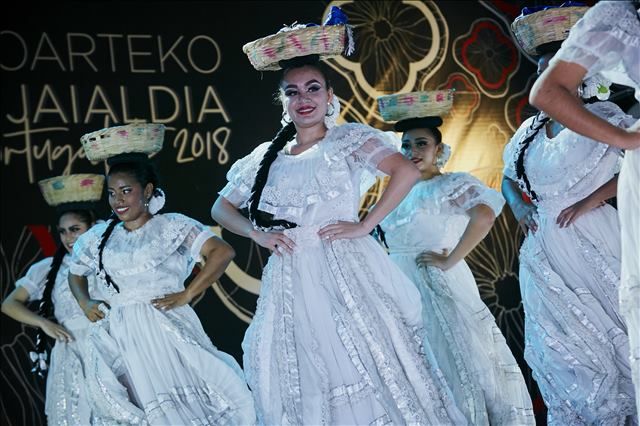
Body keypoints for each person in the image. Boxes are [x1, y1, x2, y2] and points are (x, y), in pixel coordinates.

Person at [211, 8, 466, 425]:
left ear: (330, 96)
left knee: (366, 357)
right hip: (291, 274)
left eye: (313, 88)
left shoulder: (350, 139)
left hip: (345, 267)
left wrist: (365, 225)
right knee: (306, 369)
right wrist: (257, 234)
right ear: (283, 101)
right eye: (292, 92)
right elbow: (221, 207)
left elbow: (405, 170)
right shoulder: (267, 155)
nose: (303, 98)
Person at [501, 4, 637, 424]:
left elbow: (631, 170)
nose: (550, 76)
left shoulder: (605, 116)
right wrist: (521, 204)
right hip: (544, 242)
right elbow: (507, 177)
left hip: (592, 234)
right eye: (543, 69)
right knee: (562, 343)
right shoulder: (527, 133)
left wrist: (590, 199)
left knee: (611, 329)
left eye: (558, 69)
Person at [68, 123, 255, 425]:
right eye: (113, 193)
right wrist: (85, 303)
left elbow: (221, 252)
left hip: (165, 327)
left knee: (188, 403)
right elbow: (75, 274)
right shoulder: (100, 237)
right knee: (139, 405)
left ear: (148, 191)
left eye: (127, 191)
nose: (118, 200)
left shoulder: (171, 226)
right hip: (123, 334)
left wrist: (189, 293)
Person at [376, 90, 534, 425]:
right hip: (398, 286)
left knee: (456, 360)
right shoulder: (396, 190)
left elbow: (484, 216)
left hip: (435, 281)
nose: (412, 151)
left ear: (438, 150)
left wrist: (449, 260)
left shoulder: (450, 184)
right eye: (406, 145)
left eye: (421, 144)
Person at [1, 174, 104, 424]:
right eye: (63, 232)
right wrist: (45, 323)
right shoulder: (49, 267)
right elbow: (8, 304)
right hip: (70, 351)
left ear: (94, 227)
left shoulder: (109, 260)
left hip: (107, 348)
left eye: (76, 229)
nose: (69, 238)